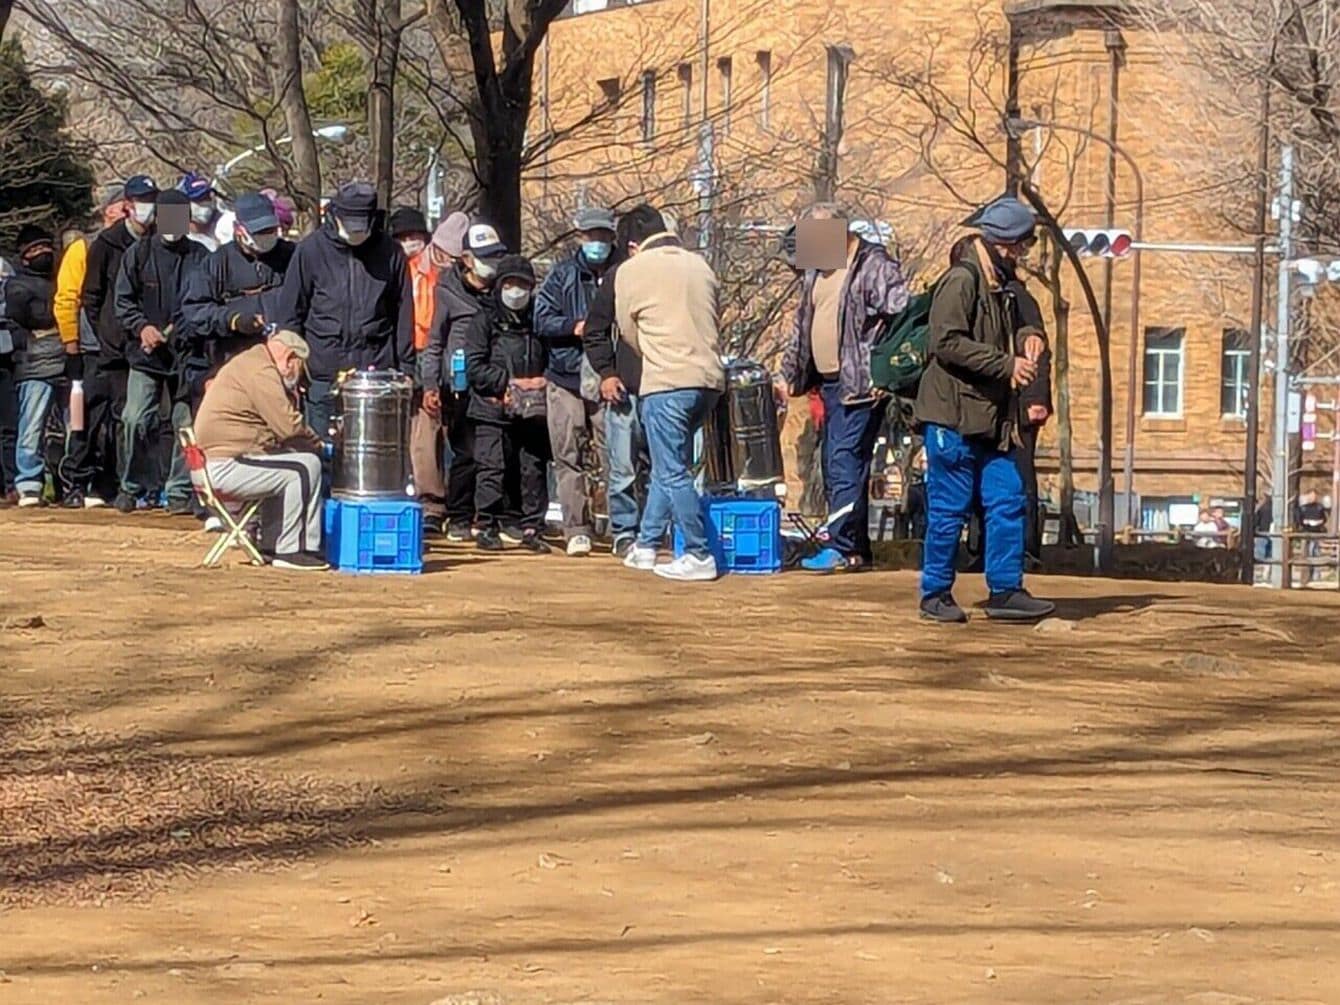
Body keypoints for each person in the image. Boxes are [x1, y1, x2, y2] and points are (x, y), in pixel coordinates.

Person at [914, 195, 1055, 623]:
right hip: (953, 418)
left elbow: (1017, 324)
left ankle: (1006, 590)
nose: (1024, 252)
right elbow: (945, 342)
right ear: (1004, 242)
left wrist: (1029, 336)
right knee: (949, 509)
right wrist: (1006, 365)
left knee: (1007, 499)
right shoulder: (962, 280)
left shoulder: (1003, 284)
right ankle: (935, 593)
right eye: (1022, 244)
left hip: (993, 419)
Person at [779, 205, 910, 573]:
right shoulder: (815, 272)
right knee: (839, 462)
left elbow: (902, 317)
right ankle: (856, 549)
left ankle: (841, 545)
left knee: (843, 461)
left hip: (862, 384)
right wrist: (788, 373)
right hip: (829, 385)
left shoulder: (873, 265)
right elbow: (802, 326)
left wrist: (886, 374)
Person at [613, 205, 725, 582]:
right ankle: (646, 545)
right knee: (668, 464)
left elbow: (628, 331)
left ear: (632, 245)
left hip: (667, 380)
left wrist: (655, 353)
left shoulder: (632, 270)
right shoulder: (700, 265)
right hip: (708, 380)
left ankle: (698, 552)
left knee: (673, 471)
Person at [273, 181, 415, 438]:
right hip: (322, 373)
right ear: (335, 215)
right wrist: (293, 368)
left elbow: (403, 311)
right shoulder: (310, 251)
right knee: (322, 448)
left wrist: (406, 369)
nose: (355, 231)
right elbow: (291, 314)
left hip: (376, 373)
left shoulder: (391, 253)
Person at [193, 331, 328, 571]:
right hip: (226, 465)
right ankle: (292, 550)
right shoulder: (262, 371)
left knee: (288, 462)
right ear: (291, 358)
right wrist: (319, 445)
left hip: (213, 464)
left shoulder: (250, 362)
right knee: (306, 466)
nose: (297, 380)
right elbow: (288, 425)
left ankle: (273, 544)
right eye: (299, 369)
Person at [113, 189, 211, 515]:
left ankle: (179, 490)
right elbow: (123, 301)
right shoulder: (138, 254)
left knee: (186, 424)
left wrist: (186, 329)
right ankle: (131, 485)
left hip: (187, 355)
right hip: (146, 355)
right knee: (135, 418)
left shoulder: (201, 257)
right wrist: (141, 327)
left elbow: (207, 302)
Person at [70, 174, 158, 508]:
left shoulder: (159, 239)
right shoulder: (105, 243)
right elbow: (91, 296)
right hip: (111, 348)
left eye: (151, 200)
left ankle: (137, 484)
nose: (148, 207)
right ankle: (90, 482)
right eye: (142, 200)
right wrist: (105, 333)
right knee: (99, 417)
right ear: (127, 205)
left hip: (150, 345)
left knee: (139, 418)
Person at [535, 205, 616, 557]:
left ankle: (621, 526)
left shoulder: (622, 274)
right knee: (567, 454)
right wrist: (573, 327)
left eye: (603, 235)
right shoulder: (561, 274)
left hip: (609, 376)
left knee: (616, 453)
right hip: (565, 374)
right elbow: (541, 319)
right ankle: (576, 528)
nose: (597, 242)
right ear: (581, 237)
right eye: (592, 235)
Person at [422, 217, 507, 540]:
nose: (492, 263)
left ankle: (491, 517)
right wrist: (431, 385)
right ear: (468, 259)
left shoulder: (503, 292)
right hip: (458, 387)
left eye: (496, 255)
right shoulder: (447, 292)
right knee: (465, 453)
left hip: (494, 382)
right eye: (486, 257)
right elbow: (434, 343)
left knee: (495, 454)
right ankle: (458, 515)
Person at [462, 255, 552, 554]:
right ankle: (486, 524)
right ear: (499, 286)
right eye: (510, 284)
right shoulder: (483, 319)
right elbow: (475, 367)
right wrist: (507, 384)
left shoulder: (539, 319)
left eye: (522, 285)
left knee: (532, 468)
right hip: (492, 407)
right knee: (491, 467)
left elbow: (552, 357)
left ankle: (532, 526)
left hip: (532, 410)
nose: (516, 291)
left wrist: (542, 381)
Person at [54, 184, 129, 507]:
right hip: (90, 348)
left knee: (118, 419)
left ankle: (108, 481)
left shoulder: (137, 246)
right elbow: (66, 298)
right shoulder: (83, 247)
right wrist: (71, 344)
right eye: (123, 206)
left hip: (123, 347)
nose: (128, 212)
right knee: (84, 418)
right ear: (107, 211)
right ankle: (75, 480)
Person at [582, 211, 650, 560]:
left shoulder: (678, 274)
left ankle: (657, 530)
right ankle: (625, 531)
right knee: (622, 468)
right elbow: (595, 330)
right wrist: (607, 372)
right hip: (624, 388)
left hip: (667, 387)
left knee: (667, 469)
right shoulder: (618, 277)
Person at [181, 192, 296, 396]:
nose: (266, 235)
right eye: (259, 231)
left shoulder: (293, 257)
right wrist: (233, 321)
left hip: (283, 360)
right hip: (235, 360)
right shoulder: (216, 264)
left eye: (270, 229)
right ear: (239, 229)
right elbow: (195, 310)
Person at [393, 207, 451, 533]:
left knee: (433, 425)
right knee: (413, 428)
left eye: (414, 236)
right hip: (403, 352)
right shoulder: (393, 269)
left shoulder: (437, 270)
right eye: (402, 237)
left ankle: (436, 501)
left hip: (435, 350)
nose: (409, 242)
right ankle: (419, 497)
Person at [5, 227, 61, 507]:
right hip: (33, 365)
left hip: (67, 361)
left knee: (72, 426)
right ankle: (28, 483)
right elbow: (20, 327)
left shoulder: (60, 280)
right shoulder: (17, 287)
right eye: (36, 249)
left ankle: (69, 484)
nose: (43, 253)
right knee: (32, 426)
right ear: (25, 256)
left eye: (46, 247)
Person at [180, 172, 220, 252]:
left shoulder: (224, 225)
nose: (204, 203)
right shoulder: (178, 237)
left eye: (207, 197)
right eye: (198, 199)